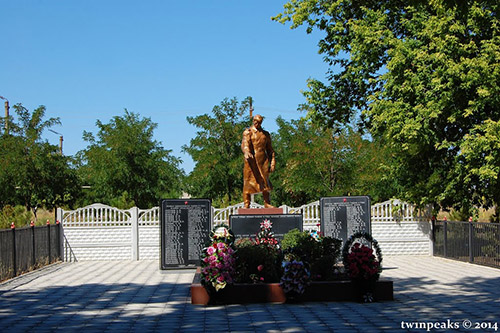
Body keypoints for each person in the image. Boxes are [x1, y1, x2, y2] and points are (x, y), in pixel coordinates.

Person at [241, 114, 276, 208]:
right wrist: (246, 152)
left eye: (259, 122)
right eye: (256, 121)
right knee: (248, 182)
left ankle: (267, 203)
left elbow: (270, 150)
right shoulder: (248, 132)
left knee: (265, 181)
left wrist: (272, 162)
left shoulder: (265, 134)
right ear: (253, 121)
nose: (257, 123)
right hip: (251, 161)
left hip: (263, 161)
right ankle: (246, 204)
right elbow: (245, 144)